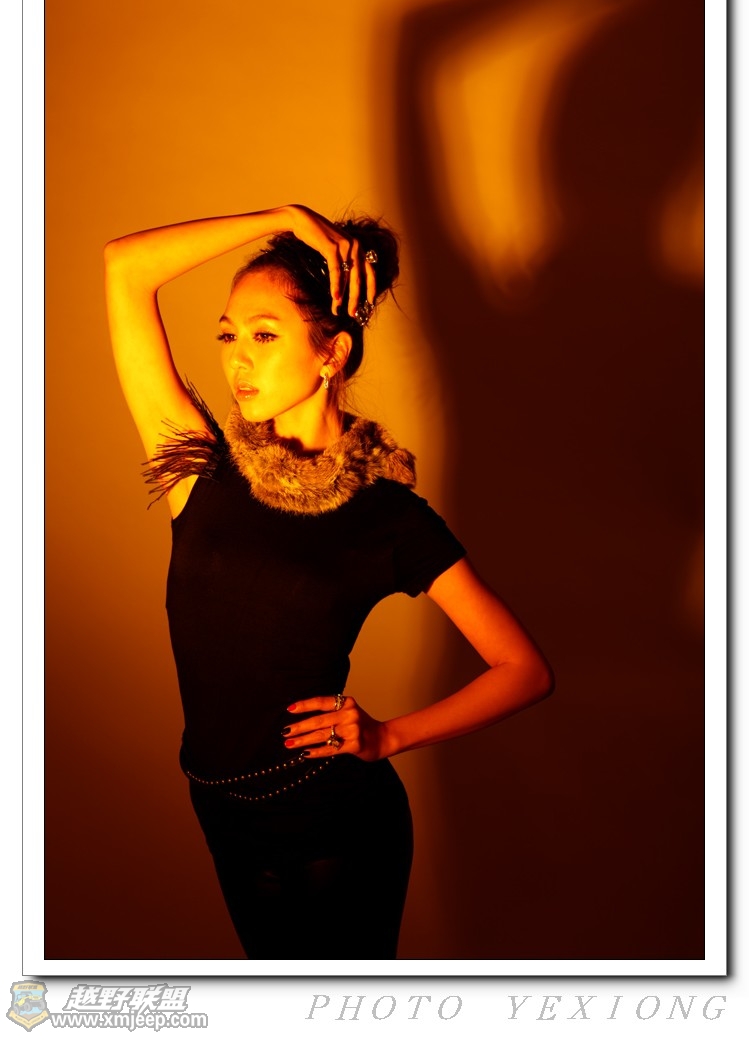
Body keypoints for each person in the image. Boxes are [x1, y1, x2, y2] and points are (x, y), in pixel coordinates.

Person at [105, 203, 554, 960]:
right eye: (227, 336)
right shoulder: (199, 469)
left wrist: (389, 736)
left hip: (331, 820)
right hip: (222, 811)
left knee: (336, 1008)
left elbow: (524, 670)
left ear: (331, 353)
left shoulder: (387, 517)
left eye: (264, 335)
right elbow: (124, 266)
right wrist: (281, 216)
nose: (237, 360)